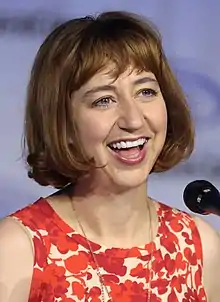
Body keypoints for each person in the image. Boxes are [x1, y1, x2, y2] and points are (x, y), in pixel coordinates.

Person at [0, 10, 219, 302]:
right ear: (63, 124)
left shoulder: (200, 246)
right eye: (104, 100)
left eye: (146, 92)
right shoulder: (17, 249)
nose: (133, 119)